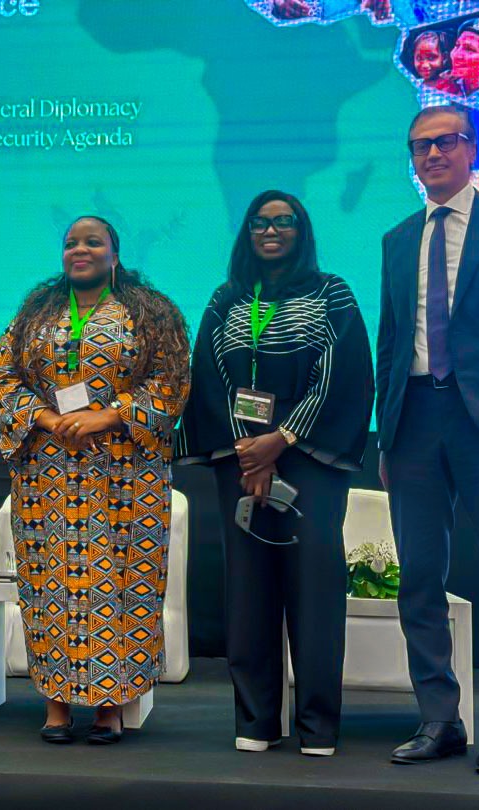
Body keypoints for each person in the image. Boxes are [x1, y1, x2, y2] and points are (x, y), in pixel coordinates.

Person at [176, 190, 374, 757]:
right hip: (241, 464)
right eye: (260, 222)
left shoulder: (331, 293)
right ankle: (257, 721)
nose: (271, 230)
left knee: (314, 592)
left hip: (312, 461)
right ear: (247, 233)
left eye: (284, 221)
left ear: (301, 230)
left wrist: (280, 441)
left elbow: (342, 373)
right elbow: (209, 374)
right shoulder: (227, 299)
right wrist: (249, 452)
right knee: (248, 591)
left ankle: (317, 726)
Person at [377, 104, 479, 774]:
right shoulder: (397, 238)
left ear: (472, 150)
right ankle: (439, 719)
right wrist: (386, 437)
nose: (433, 154)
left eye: (445, 142)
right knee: (418, 578)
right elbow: (392, 343)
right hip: (414, 421)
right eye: (420, 146)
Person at [0, 216, 190, 744]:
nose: (80, 249)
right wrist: (47, 418)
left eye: (93, 242)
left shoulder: (151, 312)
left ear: (114, 254)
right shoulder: (35, 314)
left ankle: (110, 707)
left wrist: (109, 415)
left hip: (125, 475)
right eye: (71, 242)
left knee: (119, 585)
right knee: (48, 586)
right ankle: (55, 705)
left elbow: (171, 381)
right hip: (47, 476)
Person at [403, 30, 460, 94]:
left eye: (431, 58)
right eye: (419, 58)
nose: (425, 65)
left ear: (444, 58)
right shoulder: (413, 85)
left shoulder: (449, 87)